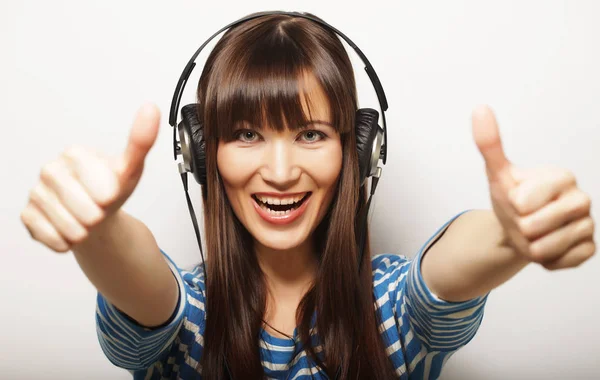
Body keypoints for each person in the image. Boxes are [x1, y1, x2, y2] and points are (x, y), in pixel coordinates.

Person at [20, 12, 595, 380]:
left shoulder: (389, 309)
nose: (279, 170)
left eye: (311, 134)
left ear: (358, 150)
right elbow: (141, 280)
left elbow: (450, 268)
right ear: (202, 153)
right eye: (247, 134)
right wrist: (97, 232)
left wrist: (512, 233)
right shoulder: (191, 315)